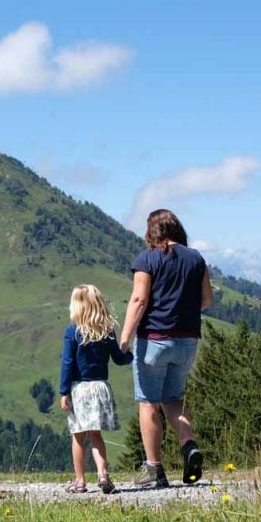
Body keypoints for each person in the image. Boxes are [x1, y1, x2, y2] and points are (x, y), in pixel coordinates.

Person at [119, 208, 213, 489]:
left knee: (148, 402)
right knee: (173, 399)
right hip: (187, 340)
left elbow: (139, 300)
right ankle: (189, 444)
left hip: (154, 340)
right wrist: (181, 310)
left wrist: (125, 337)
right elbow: (206, 299)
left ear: (152, 232)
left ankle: (154, 470)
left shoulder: (147, 259)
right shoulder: (196, 258)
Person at [60, 284, 133, 494]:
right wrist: (129, 354)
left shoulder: (72, 331)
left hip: (80, 388)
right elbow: (119, 359)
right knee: (96, 435)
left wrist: (63, 391)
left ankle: (80, 481)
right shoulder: (106, 331)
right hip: (101, 388)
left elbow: (67, 362)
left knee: (78, 436)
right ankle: (102, 474)